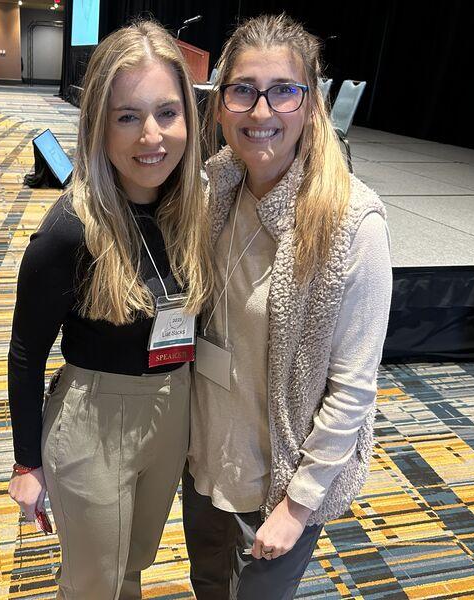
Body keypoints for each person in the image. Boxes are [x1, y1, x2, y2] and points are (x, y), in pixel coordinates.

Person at [182, 13, 393, 599]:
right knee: (206, 584)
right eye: (243, 90)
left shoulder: (351, 222)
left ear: (311, 104)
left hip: (280, 480)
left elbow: (352, 388)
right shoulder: (212, 188)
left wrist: (298, 506)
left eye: (283, 91)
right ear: (220, 102)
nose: (261, 112)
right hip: (205, 458)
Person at [7, 19, 213, 600]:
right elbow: (25, 353)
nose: (152, 136)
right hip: (95, 419)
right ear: (98, 123)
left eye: (167, 113)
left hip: (172, 410)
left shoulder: (191, 209)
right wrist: (26, 465)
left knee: (131, 565)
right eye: (128, 116)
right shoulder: (70, 229)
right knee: (93, 582)